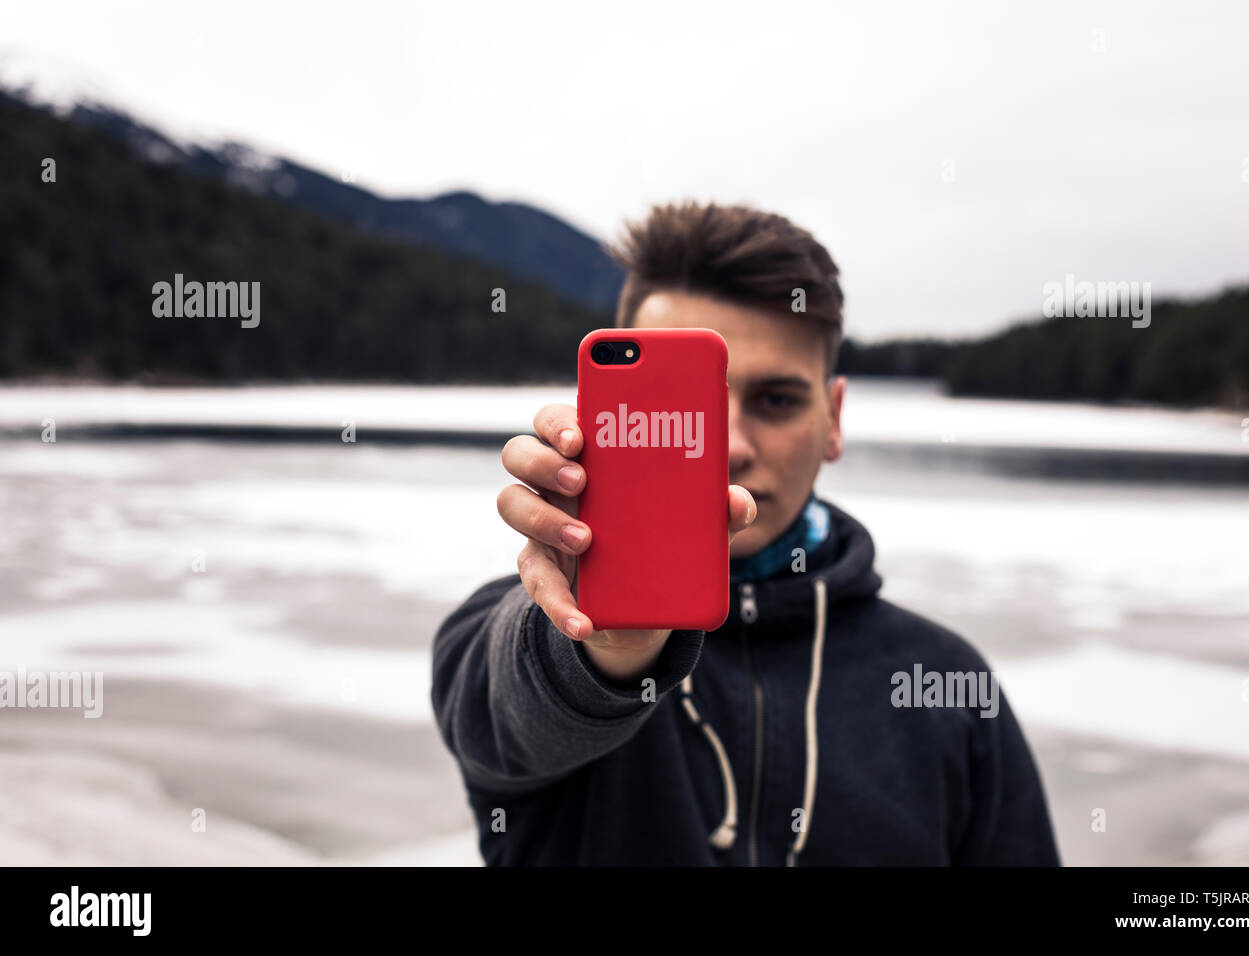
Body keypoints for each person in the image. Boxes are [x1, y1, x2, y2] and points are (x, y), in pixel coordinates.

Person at [431, 200, 1061, 866]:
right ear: (605, 414)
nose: (728, 446)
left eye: (776, 400)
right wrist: (603, 649)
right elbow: (507, 722)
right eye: (687, 404)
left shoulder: (943, 682)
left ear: (834, 419)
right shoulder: (526, 631)